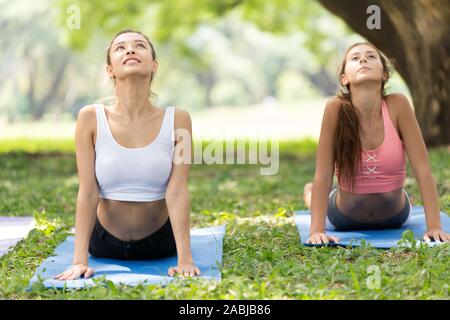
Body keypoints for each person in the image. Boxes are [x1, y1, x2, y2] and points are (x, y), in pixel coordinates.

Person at [55, 29, 200, 280]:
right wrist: (79, 261)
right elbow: (88, 191)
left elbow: (177, 191)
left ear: (154, 65)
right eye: (120, 47)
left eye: (140, 45)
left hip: (160, 243)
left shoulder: (178, 119)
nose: (130, 50)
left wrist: (185, 258)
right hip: (102, 243)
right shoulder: (90, 118)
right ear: (110, 69)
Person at [303, 42, 450, 244]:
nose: (363, 59)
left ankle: (406, 197)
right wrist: (316, 231)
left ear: (385, 75)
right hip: (343, 218)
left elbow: (423, 169)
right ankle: (309, 193)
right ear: (344, 78)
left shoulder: (398, 105)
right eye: (355, 58)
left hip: (395, 217)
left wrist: (434, 226)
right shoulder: (335, 108)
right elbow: (323, 174)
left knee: (402, 197)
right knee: (316, 197)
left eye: (371, 56)